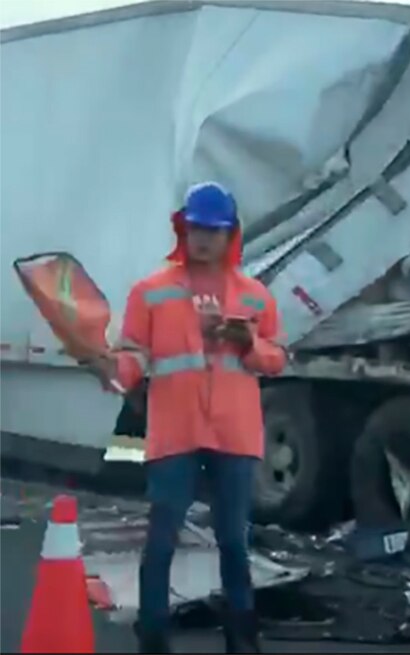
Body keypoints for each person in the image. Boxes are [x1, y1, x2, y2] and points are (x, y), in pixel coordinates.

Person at [91, 181, 286, 653]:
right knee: (162, 539)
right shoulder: (151, 292)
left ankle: (242, 638)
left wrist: (247, 343)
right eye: (196, 228)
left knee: (234, 540)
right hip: (175, 432)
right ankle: (154, 637)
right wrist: (109, 368)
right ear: (183, 229)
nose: (203, 238)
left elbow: (277, 359)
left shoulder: (255, 296)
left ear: (230, 234)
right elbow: (132, 359)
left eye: (213, 231)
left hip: (234, 434)